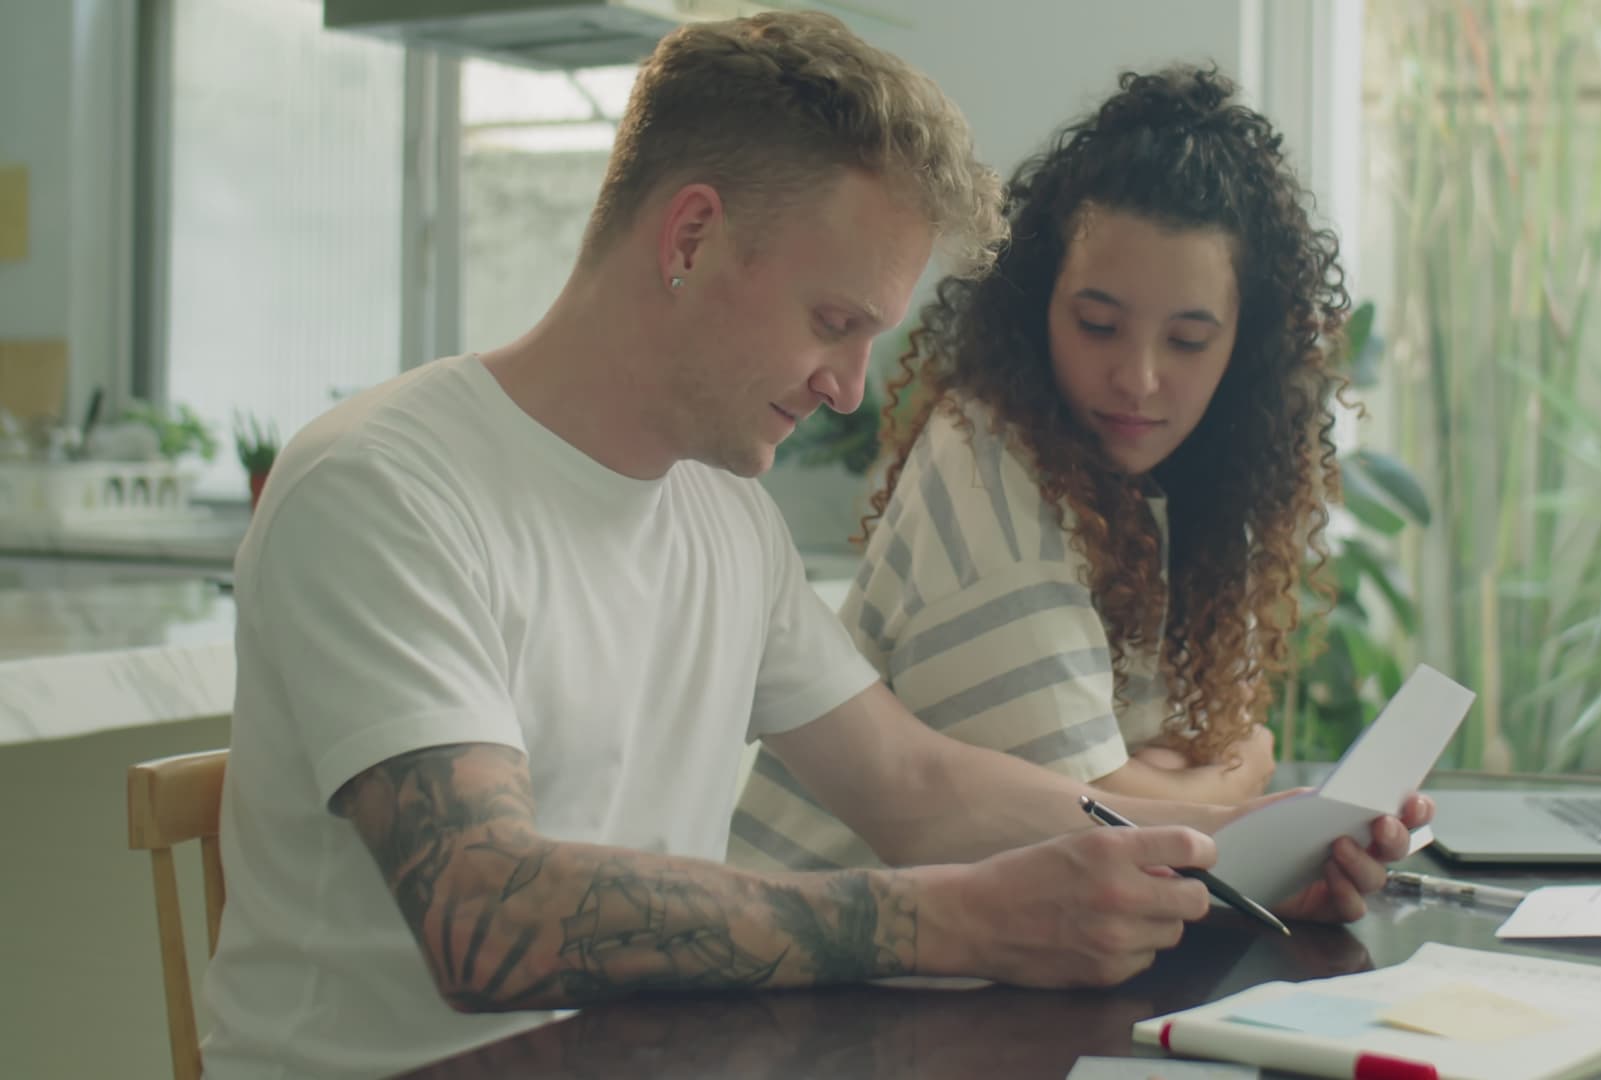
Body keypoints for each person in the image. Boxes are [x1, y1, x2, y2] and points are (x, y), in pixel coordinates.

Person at [202, 15, 1427, 1077]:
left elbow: (916, 788)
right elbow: (488, 916)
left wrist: (1235, 859)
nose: (849, 387)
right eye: (834, 321)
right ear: (690, 238)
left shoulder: (720, 516)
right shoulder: (385, 487)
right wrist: (946, 922)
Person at [732, 67, 1377, 892]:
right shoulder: (986, 468)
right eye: (1098, 325)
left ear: (1242, 351)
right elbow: (1095, 823)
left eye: (1187, 341)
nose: (1138, 379)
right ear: (1037, 306)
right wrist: (1239, 775)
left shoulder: (1190, 491)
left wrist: (1188, 778)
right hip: (828, 953)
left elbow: (1150, 780)